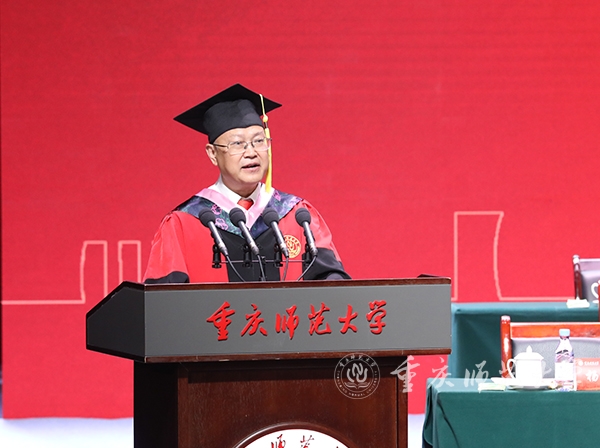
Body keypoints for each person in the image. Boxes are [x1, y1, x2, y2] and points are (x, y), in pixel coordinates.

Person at [144, 84, 350, 284]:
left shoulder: (296, 215)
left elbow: (332, 284)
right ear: (213, 153)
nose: (251, 152)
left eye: (259, 141)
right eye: (237, 144)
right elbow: (162, 300)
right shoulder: (183, 222)